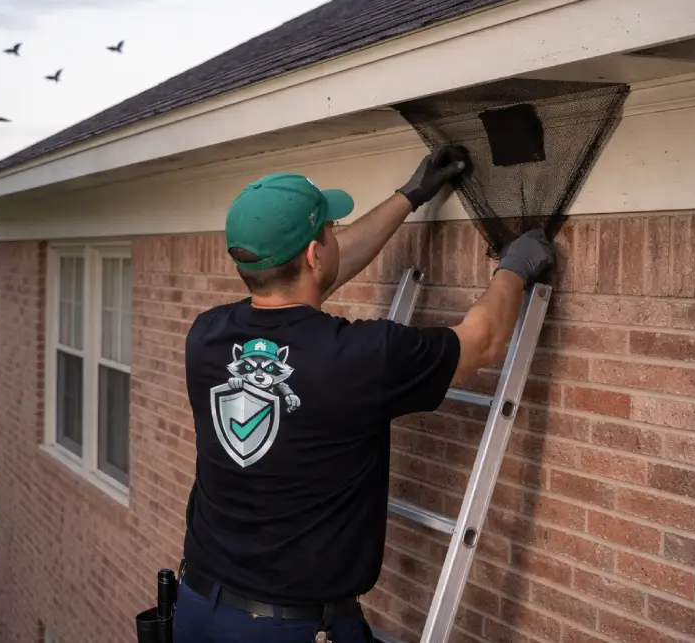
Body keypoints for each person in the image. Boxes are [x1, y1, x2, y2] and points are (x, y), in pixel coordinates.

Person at [175, 147, 556, 643]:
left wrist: (407, 198)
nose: (336, 236)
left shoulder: (205, 337)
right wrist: (514, 268)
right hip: (292, 629)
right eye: (331, 230)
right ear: (314, 255)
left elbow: (307, 280)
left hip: (197, 610)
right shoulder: (362, 356)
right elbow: (483, 341)